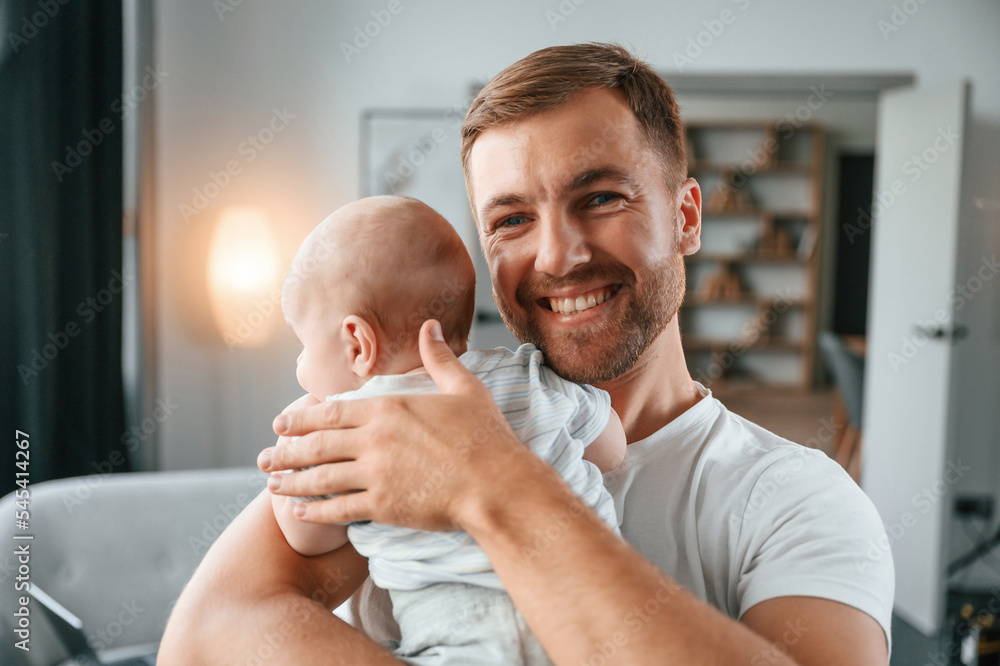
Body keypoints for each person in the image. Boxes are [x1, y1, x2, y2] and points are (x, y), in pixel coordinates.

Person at [161, 43, 894, 665]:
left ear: (686, 217)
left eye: (601, 198)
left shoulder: (801, 502)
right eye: (512, 218)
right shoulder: (405, 415)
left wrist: (494, 483)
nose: (559, 256)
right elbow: (201, 641)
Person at [272, 195, 625, 664]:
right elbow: (610, 448)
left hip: (459, 646)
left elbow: (306, 536)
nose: (300, 364)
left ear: (358, 344)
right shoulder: (530, 376)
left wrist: (297, 431)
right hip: (595, 628)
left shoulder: (349, 429)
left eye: (303, 347)